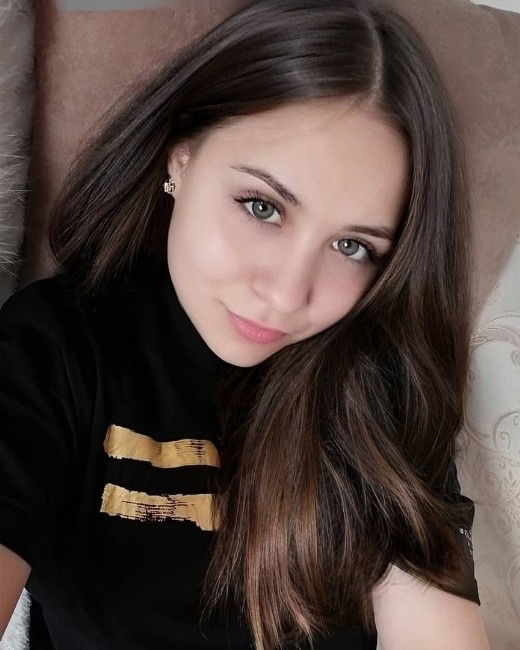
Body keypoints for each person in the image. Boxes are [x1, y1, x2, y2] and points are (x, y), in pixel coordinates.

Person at [0, 0, 492, 648]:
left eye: (352, 247)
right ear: (181, 155)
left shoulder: (384, 386)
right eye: (262, 207)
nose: (286, 295)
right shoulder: (54, 352)